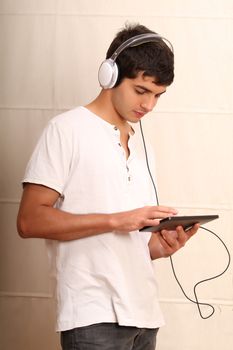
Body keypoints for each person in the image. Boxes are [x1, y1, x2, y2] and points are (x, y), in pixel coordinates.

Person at [17, 23, 199, 350]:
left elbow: (127, 245)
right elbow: (29, 221)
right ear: (110, 76)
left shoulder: (143, 148)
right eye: (141, 91)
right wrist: (116, 219)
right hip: (92, 316)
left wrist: (161, 247)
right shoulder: (66, 130)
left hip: (145, 318)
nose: (149, 106)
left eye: (158, 96)